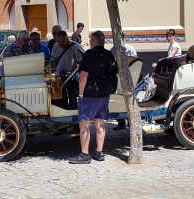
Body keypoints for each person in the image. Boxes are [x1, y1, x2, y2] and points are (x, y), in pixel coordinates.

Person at [69, 30, 118, 164]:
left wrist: (80, 94)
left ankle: (85, 154)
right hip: (104, 94)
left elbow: (84, 75)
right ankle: (99, 152)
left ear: (93, 41)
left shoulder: (90, 54)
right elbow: (115, 74)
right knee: (100, 124)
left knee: (84, 125)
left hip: (90, 94)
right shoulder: (109, 54)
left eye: (90, 40)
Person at [110, 32, 137, 130]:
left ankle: (131, 122)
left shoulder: (130, 49)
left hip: (127, 78)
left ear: (122, 38)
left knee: (129, 99)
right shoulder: (113, 49)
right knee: (119, 100)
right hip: (116, 78)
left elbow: (134, 64)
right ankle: (121, 122)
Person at [51, 31, 84, 108]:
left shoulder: (75, 47)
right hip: (58, 76)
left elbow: (80, 64)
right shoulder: (56, 45)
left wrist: (70, 71)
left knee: (70, 97)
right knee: (59, 99)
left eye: (62, 41)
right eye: (59, 42)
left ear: (67, 39)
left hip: (70, 78)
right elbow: (53, 59)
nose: (60, 44)